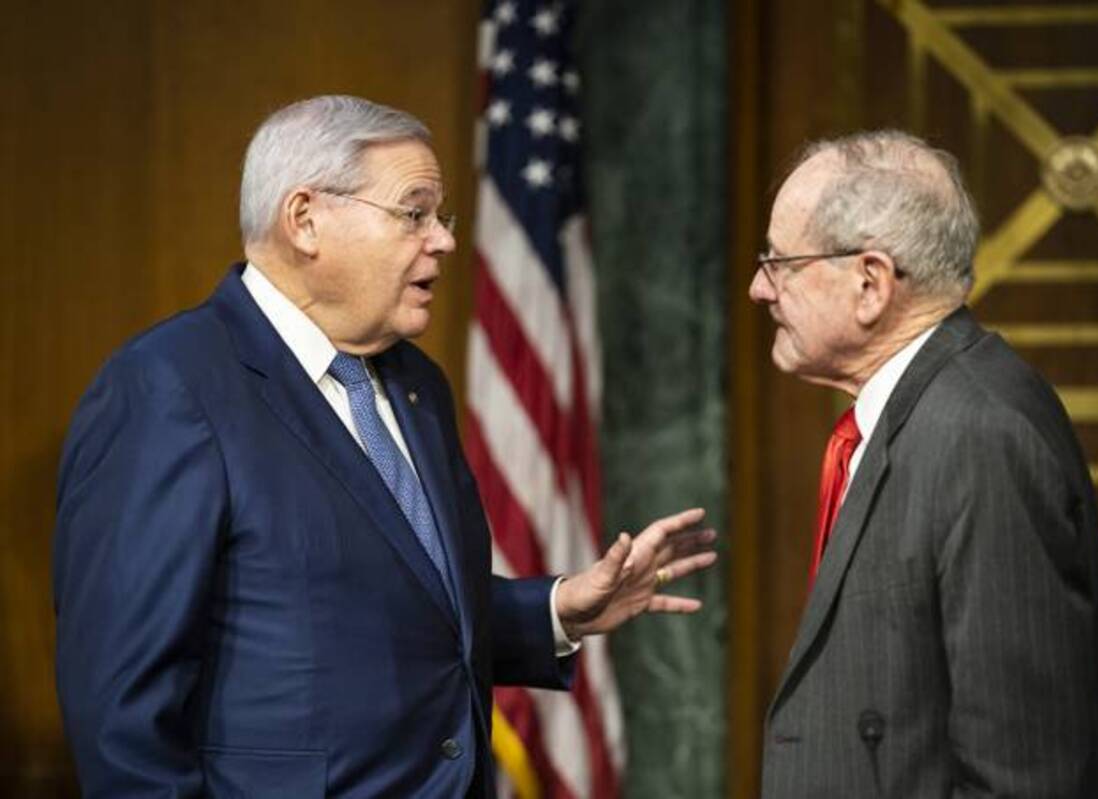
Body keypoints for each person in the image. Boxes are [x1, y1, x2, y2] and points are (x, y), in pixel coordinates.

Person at [53, 95, 716, 798]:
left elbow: (394, 611)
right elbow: (121, 718)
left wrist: (555, 611)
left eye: (441, 215)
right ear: (305, 219)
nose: (443, 240)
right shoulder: (168, 388)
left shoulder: (415, 385)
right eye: (413, 212)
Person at [751, 130, 1098, 797]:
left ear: (869, 283)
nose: (759, 288)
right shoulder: (924, 410)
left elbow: (1022, 777)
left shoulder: (979, 435)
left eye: (779, 263)